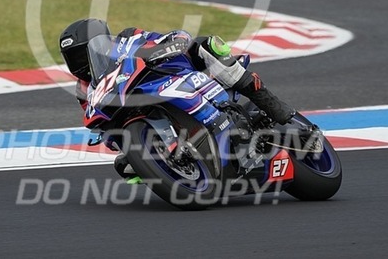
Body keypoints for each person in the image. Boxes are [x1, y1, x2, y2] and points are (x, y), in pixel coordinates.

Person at [59, 18, 300, 177]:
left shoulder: (128, 39)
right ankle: (171, 165)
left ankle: (274, 106)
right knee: (125, 165)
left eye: (83, 54)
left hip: (170, 74)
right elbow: (100, 121)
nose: (81, 63)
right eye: (73, 58)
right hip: (135, 109)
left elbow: (165, 38)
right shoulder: (85, 89)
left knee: (207, 45)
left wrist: (169, 45)